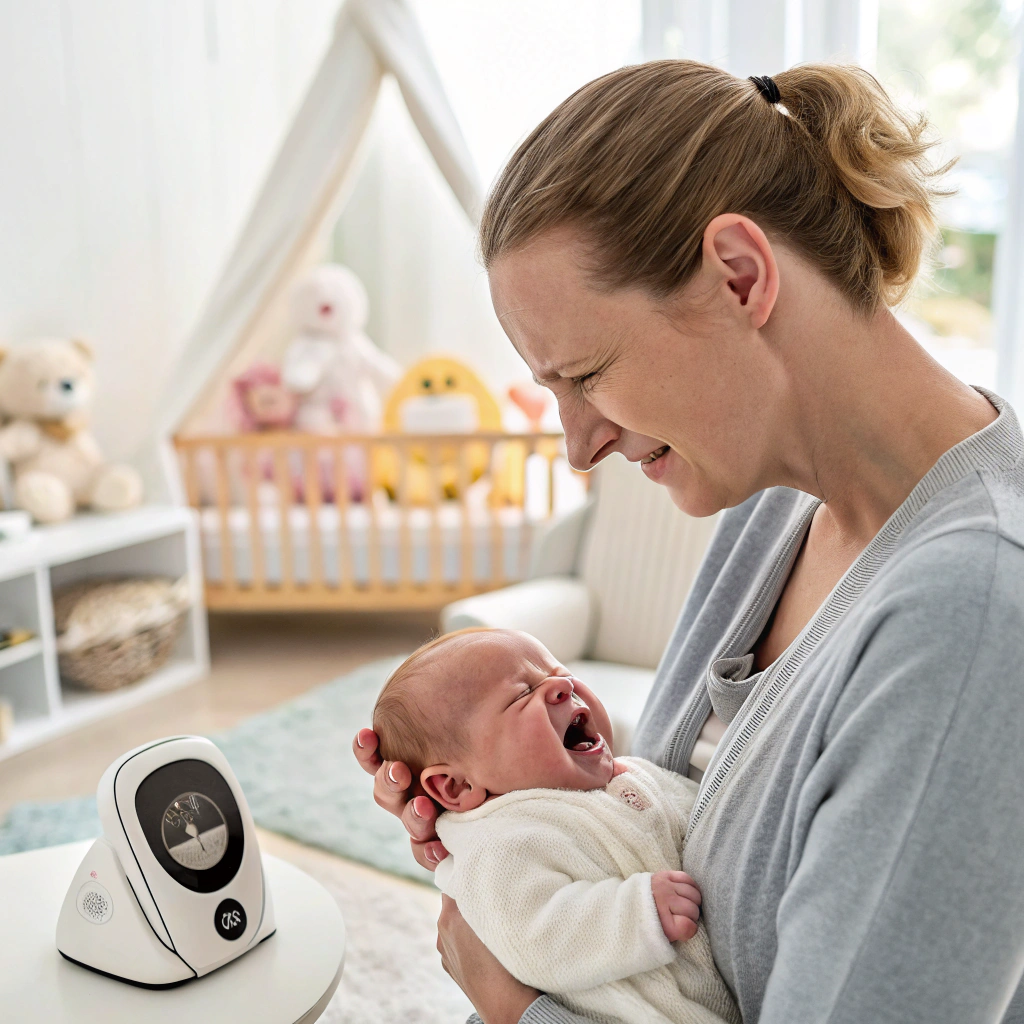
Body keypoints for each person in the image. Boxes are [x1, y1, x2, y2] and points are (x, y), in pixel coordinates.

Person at [355, 59, 1024, 1024]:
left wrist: (516, 1006)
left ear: (738, 276)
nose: (577, 446)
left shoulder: (972, 621)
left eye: (586, 374)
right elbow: (687, 817)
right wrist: (520, 812)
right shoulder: (772, 505)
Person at [372, 626, 740, 1024]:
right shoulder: (498, 842)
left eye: (557, 672)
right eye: (522, 694)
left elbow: (706, 815)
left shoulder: (630, 776)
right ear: (457, 785)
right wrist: (640, 910)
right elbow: (535, 937)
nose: (563, 686)